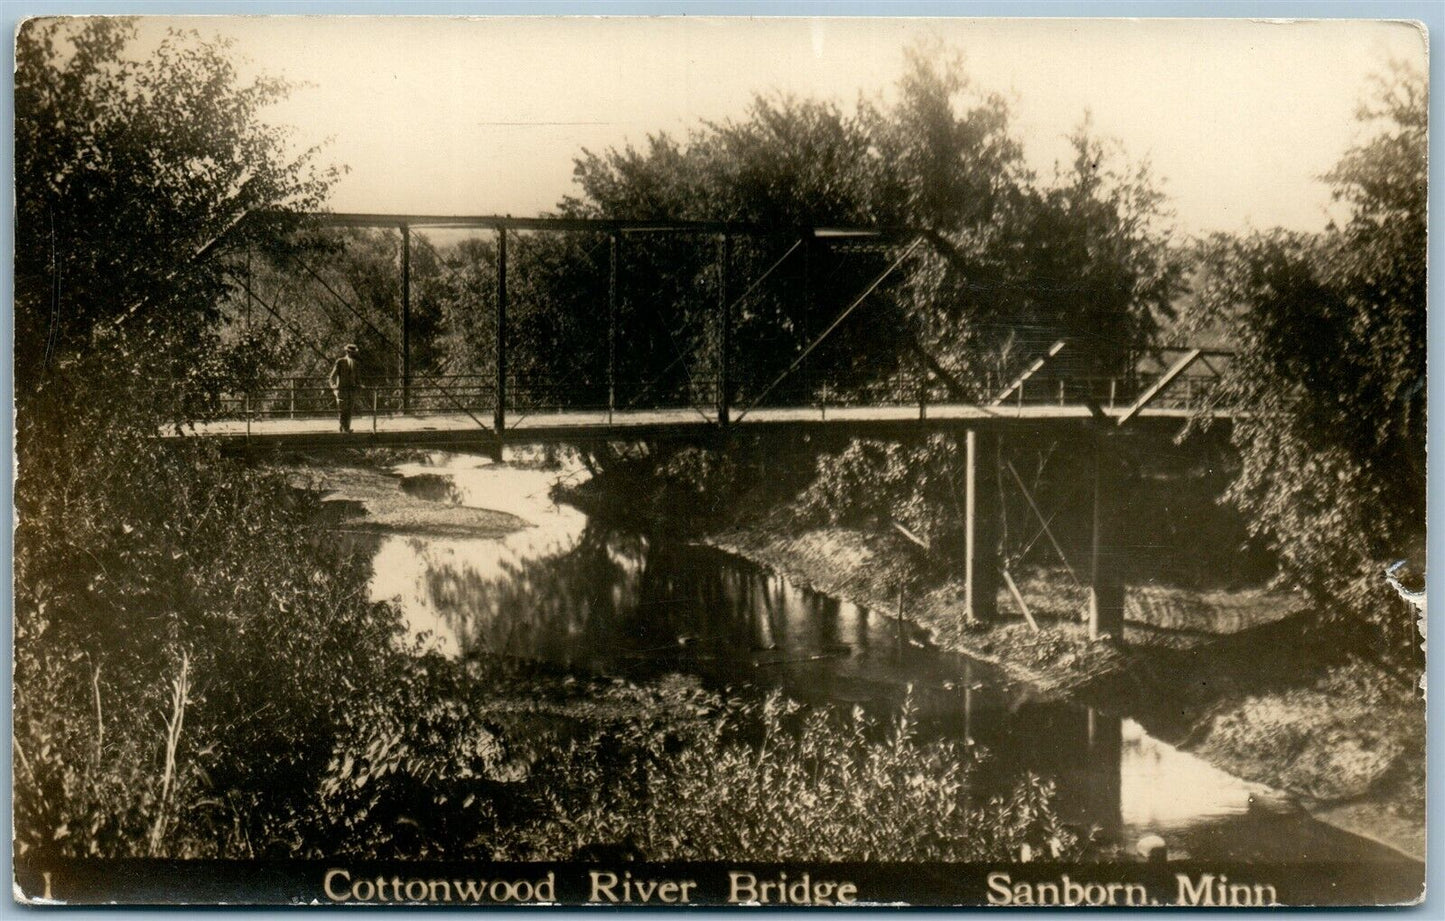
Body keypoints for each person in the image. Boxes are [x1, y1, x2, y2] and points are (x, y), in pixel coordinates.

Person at [329, 343, 361, 432]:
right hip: (341, 390)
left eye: (354, 352)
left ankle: (344, 428)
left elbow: (357, 378)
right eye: (351, 352)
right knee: (342, 410)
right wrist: (334, 388)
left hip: (351, 391)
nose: (352, 354)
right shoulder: (340, 362)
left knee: (349, 410)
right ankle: (346, 429)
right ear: (347, 352)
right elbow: (332, 377)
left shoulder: (356, 363)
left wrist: (359, 385)